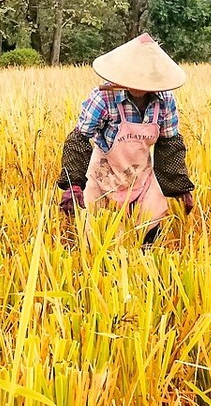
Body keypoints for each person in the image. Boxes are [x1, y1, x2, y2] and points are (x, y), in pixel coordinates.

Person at [56, 33, 195, 247]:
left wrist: (178, 187)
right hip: (103, 175)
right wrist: (73, 184)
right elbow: (79, 139)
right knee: (99, 240)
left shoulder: (164, 100)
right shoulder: (103, 97)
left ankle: (144, 270)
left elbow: (169, 145)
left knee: (150, 233)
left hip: (141, 177)